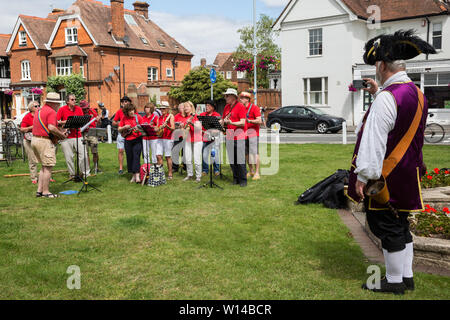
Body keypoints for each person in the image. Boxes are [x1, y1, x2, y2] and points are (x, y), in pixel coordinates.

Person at [347, 30, 436, 295]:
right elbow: (399, 126)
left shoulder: (388, 97)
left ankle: (395, 282)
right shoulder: (416, 93)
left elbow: (375, 141)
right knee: (400, 225)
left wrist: (364, 176)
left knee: (385, 225)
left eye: (376, 65)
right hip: (407, 174)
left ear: (382, 65)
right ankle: (406, 276)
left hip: (386, 177)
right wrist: (379, 94)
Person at [31, 92, 68, 198]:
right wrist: (61, 135)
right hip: (44, 141)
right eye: (57, 104)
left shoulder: (39, 110)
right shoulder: (51, 111)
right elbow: (51, 127)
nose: (58, 106)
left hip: (35, 139)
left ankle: (40, 191)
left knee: (43, 166)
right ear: (53, 103)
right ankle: (46, 192)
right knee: (48, 167)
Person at [57, 94, 90, 179]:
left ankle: (85, 173)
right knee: (69, 157)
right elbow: (57, 122)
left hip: (77, 134)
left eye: (75, 99)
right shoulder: (62, 109)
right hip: (66, 136)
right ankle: (72, 174)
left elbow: (81, 121)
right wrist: (66, 123)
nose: (74, 101)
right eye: (72, 99)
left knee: (84, 155)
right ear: (67, 101)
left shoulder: (79, 109)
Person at [221, 88, 247, 187]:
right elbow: (224, 120)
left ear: (234, 97)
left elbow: (243, 122)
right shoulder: (226, 107)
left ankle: (243, 180)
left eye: (227, 96)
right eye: (225, 95)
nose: (225, 97)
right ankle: (235, 178)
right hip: (229, 136)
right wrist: (221, 122)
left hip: (239, 136)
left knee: (240, 160)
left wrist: (231, 122)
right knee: (232, 160)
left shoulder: (240, 106)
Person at [239, 92, 262, 180]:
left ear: (247, 99)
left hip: (253, 134)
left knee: (254, 153)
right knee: (246, 154)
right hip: (243, 134)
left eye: (242, 98)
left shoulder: (254, 108)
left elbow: (259, 121)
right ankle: (251, 170)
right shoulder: (241, 108)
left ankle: (257, 172)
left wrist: (249, 121)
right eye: (240, 98)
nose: (240, 99)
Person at [118, 103, 143, 183]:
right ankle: (133, 175)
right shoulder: (124, 118)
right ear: (126, 112)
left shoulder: (138, 117)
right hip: (128, 140)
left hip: (137, 139)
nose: (132, 112)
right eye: (130, 111)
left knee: (136, 156)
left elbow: (143, 127)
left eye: (132, 110)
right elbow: (119, 129)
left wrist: (138, 128)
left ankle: (137, 175)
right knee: (130, 157)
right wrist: (124, 127)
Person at [183, 101, 203, 182]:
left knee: (197, 159)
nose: (185, 108)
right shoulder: (185, 117)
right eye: (184, 107)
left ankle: (198, 176)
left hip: (197, 139)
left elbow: (198, 128)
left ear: (191, 107)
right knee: (188, 159)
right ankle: (189, 174)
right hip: (188, 139)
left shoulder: (196, 116)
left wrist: (191, 123)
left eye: (187, 106)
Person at [200, 100, 221, 177]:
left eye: (208, 106)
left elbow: (218, 128)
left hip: (214, 138)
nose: (206, 107)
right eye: (206, 106)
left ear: (213, 107)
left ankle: (216, 170)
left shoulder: (217, 115)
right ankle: (205, 170)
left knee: (215, 154)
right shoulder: (202, 115)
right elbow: (200, 126)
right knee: (204, 155)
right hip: (205, 138)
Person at [20, 101, 39, 184]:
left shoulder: (40, 115)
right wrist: (32, 127)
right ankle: (34, 178)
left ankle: (47, 177)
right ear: (31, 108)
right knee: (32, 159)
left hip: (40, 139)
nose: (38, 107)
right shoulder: (27, 117)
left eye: (39, 105)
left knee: (44, 158)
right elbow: (22, 129)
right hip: (29, 140)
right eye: (36, 106)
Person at [80, 100, 101, 174]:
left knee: (95, 151)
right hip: (83, 133)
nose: (86, 110)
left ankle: (96, 168)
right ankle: (87, 169)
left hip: (92, 133)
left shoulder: (92, 111)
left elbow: (99, 122)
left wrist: (98, 120)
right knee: (86, 153)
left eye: (87, 108)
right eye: (84, 109)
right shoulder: (80, 113)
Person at [113, 96, 131, 175]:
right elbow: (113, 122)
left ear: (129, 102)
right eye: (123, 102)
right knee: (121, 151)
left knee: (129, 151)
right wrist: (120, 124)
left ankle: (130, 167)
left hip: (130, 134)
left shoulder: (132, 111)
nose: (124, 103)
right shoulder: (119, 111)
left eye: (126, 101)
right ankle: (121, 168)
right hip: (121, 133)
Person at [157, 101, 175, 179]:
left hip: (168, 138)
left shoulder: (171, 116)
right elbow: (157, 128)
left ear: (167, 109)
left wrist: (167, 126)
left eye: (164, 108)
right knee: (158, 155)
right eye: (161, 108)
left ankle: (170, 173)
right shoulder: (159, 117)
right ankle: (161, 173)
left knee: (168, 156)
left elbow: (173, 128)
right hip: (160, 138)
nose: (162, 110)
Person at [172, 103, 188, 173]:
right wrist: (177, 126)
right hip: (178, 136)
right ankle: (175, 167)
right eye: (178, 108)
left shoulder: (187, 116)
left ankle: (185, 166)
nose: (179, 109)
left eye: (180, 108)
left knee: (185, 152)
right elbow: (173, 126)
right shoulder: (176, 116)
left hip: (185, 136)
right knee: (175, 151)